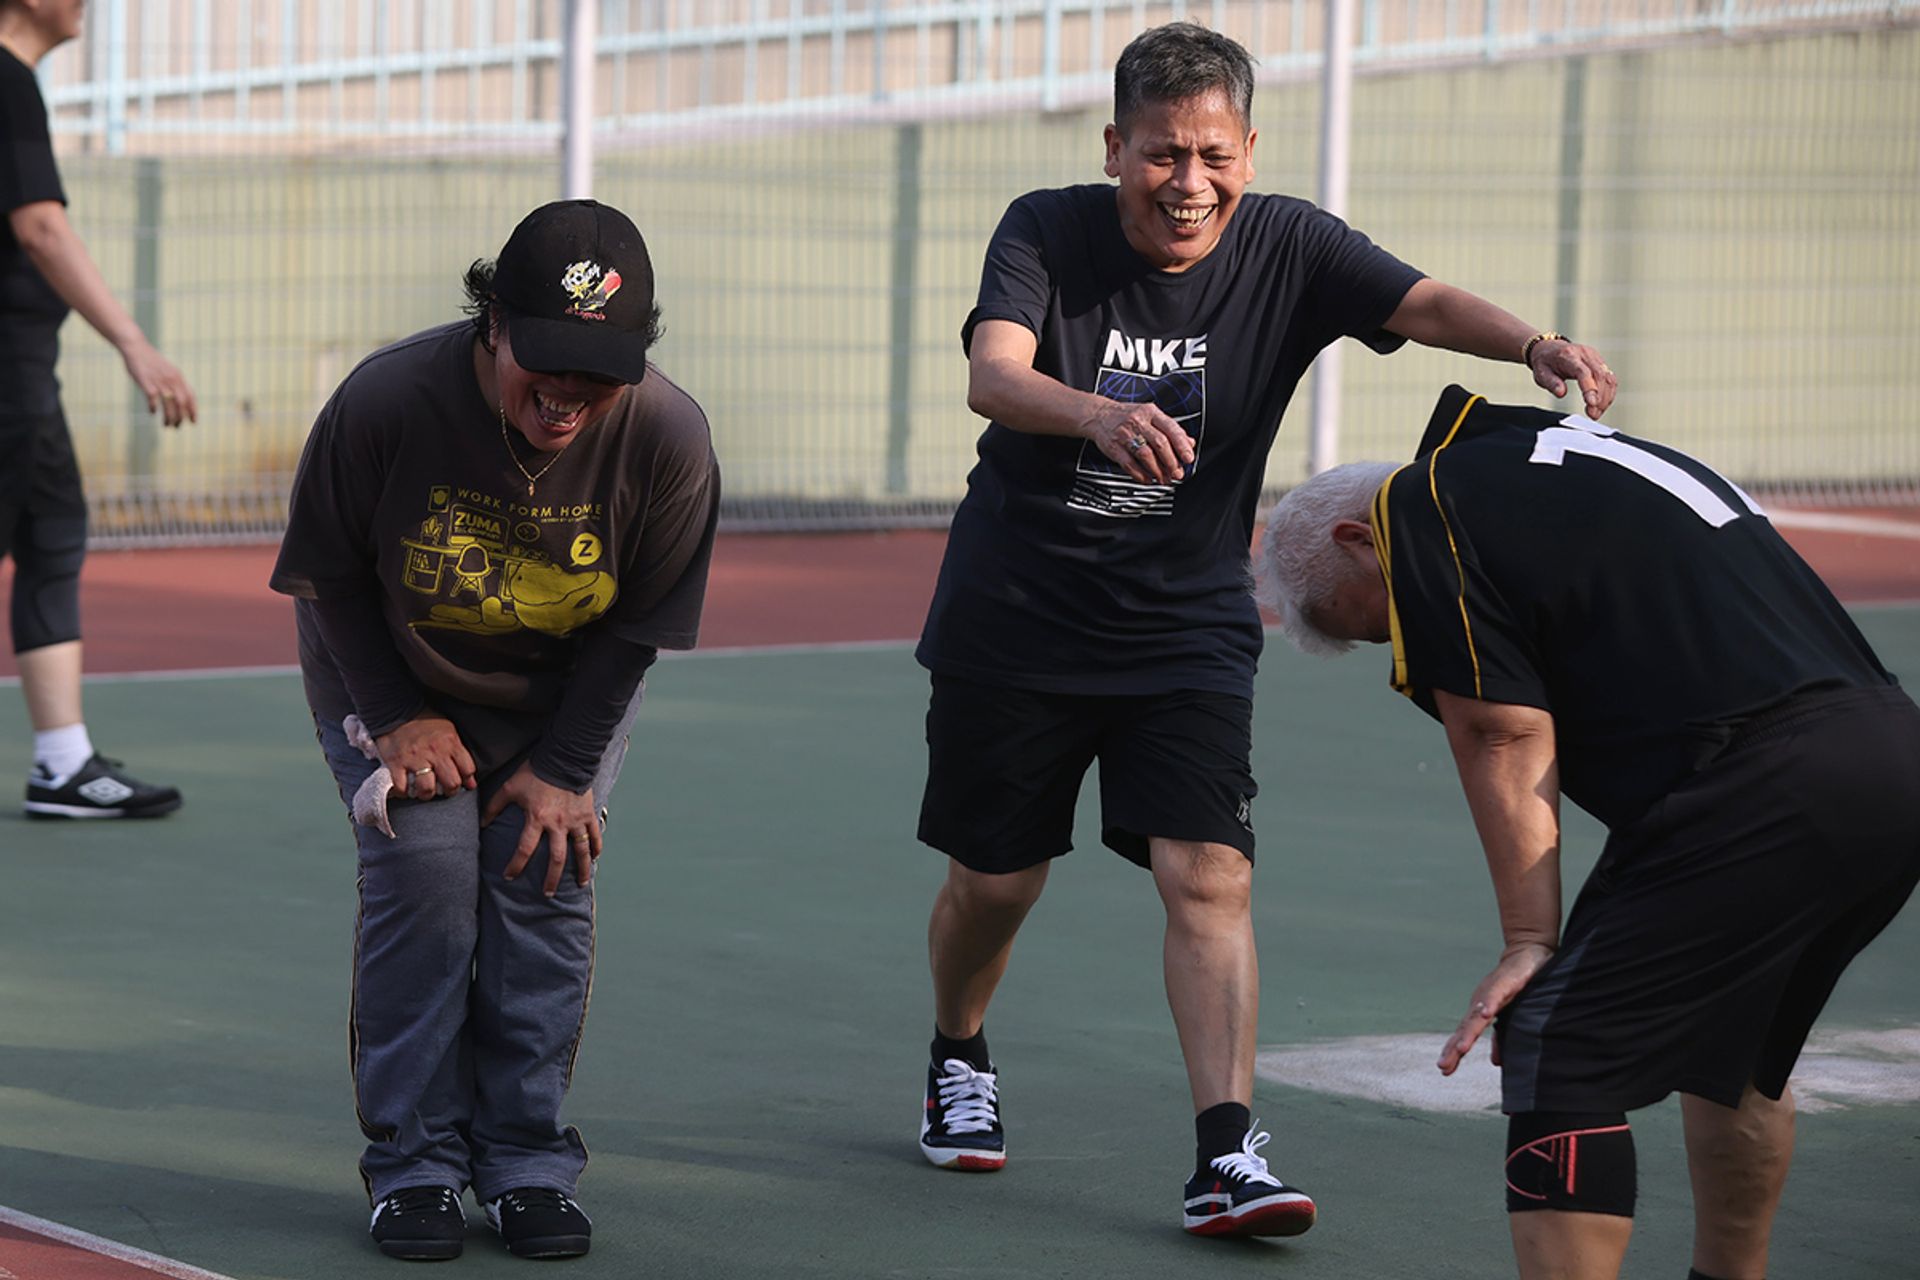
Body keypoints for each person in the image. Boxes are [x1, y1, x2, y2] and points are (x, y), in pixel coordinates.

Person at [912, 20, 1619, 1238]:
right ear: (1114, 147)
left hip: (1184, 621)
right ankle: (960, 1051)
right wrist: (1094, 412)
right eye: (1161, 154)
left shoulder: (1289, 241)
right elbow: (993, 373)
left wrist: (1533, 342)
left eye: (1213, 155)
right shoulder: (1045, 228)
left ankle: (1226, 1150)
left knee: (1211, 874)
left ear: (1248, 147)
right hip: (1017, 614)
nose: (1189, 183)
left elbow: (1423, 297)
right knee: (998, 878)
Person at [1256, 383, 1920, 1280]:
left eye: (1372, 625)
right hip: (1888, 755)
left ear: (1358, 541)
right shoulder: (1540, 459)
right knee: (1735, 1060)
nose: (1406, 654)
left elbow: (1501, 727)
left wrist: (1529, 939)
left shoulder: (1424, 508)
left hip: (1759, 781)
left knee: (1557, 1042)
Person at [270, 199, 720, 1262]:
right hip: (393, 671)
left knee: (542, 872)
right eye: (545, 359)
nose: (565, 395)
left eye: (596, 370)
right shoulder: (387, 400)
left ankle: (523, 1156)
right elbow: (327, 575)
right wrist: (393, 716)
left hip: (563, 697)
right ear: (493, 325)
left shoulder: (666, 435)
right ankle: (414, 1163)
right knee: (426, 875)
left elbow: (640, 627)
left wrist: (568, 769)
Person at [2, 0, 196, 819]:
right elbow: (42, 226)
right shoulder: (6, 82)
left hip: (21, 370)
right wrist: (132, 342)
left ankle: (63, 765)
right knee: (50, 533)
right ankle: (62, 764)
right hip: (7, 373)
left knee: (53, 530)